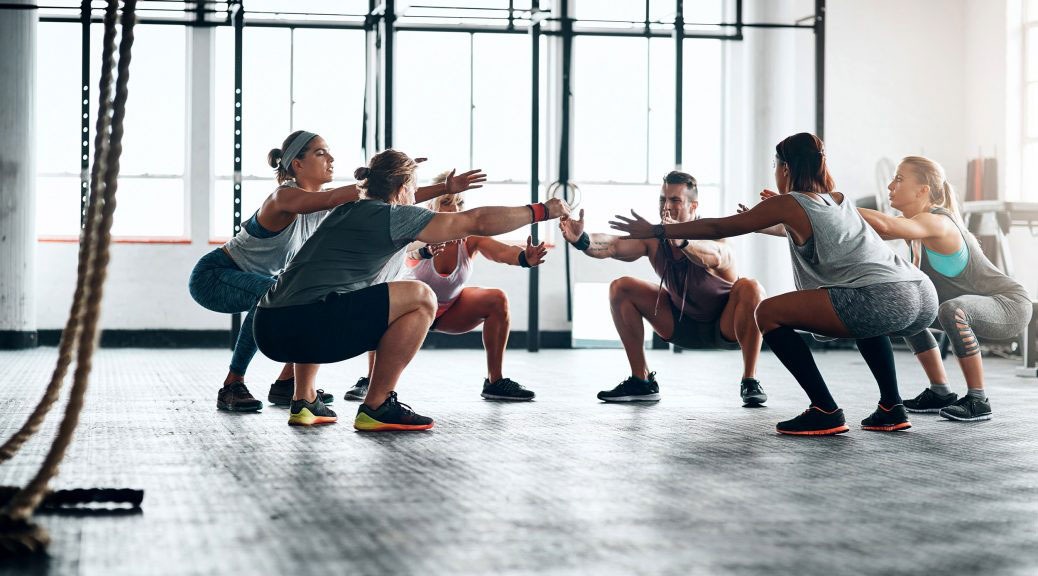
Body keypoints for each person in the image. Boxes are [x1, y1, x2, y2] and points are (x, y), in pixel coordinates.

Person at [610, 133, 938, 435]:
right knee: (866, 315)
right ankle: (891, 407)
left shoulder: (789, 203)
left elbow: (718, 227)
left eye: (775, 165)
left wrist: (658, 230)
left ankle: (825, 409)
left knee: (767, 312)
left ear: (785, 167)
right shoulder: (838, 199)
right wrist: (772, 218)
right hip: (921, 294)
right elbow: (801, 229)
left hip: (882, 295)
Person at [252, 149, 569, 428]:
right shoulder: (392, 216)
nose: (418, 197)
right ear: (403, 189)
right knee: (421, 297)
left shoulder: (347, 210)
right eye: (414, 190)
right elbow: (477, 221)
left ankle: (304, 400)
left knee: (328, 290)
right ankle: (377, 405)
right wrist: (542, 211)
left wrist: (432, 186)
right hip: (307, 326)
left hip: (269, 327)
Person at [188, 130, 485, 412]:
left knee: (300, 299)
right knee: (273, 294)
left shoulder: (324, 204)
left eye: (329, 153)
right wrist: (386, 178)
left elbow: (383, 199)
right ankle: (232, 384)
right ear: (297, 163)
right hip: (214, 276)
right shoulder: (284, 197)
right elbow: (351, 196)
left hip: (258, 279)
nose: (330, 159)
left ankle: (286, 384)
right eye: (320, 153)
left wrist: (439, 187)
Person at [557, 171, 768, 405]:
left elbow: (714, 256)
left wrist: (683, 240)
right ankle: (642, 381)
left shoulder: (716, 236)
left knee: (751, 287)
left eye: (675, 200)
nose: (666, 206)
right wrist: (582, 240)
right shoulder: (655, 238)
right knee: (622, 287)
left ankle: (750, 381)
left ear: (693, 205)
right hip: (679, 324)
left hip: (725, 327)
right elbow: (614, 245)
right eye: (662, 199)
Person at [345, 173, 548, 402]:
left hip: (448, 311)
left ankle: (495, 381)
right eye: (447, 203)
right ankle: (370, 381)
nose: (453, 210)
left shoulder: (469, 238)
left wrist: (524, 258)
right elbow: (408, 252)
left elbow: (501, 252)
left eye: (458, 203)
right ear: (433, 204)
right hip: (408, 313)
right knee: (383, 300)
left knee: (497, 299)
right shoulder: (418, 229)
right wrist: (424, 251)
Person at [859, 156, 1033, 422]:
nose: (890, 186)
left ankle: (978, 399)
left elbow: (884, 224)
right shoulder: (916, 229)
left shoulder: (937, 222)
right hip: (979, 308)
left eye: (899, 179)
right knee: (909, 311)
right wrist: (800, 209)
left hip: (1009, 305)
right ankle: (940, 392)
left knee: (953, 309)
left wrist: (835, 204)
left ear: (923, 189)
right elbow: (869, 229)